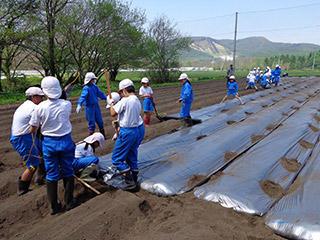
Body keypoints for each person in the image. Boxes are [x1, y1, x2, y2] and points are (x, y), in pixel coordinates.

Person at [29, 76, 76, 215]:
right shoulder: (67, 105)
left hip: (49, 143)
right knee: (68, 171)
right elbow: (62, 99)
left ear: (44, 92)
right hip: (66, 141)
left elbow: (33, 128)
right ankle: (69, 202)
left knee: (52, 174)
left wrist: (32, 129)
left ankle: (54, 207)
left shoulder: (40, 108)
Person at [107, 79, 145, 190]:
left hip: (127, 132)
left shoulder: (126, 100)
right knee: (131, 155)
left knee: (117, 159)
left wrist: (111, 105)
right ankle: (134, 178)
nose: (120, 94)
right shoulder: (136, 100)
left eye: (120, 92)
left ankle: (130, 183)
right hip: (137, 130)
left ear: (124, 90)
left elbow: (113, 114)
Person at [10, 87, 44, 195]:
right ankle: (22, 188)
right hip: (22, 138)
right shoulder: (33, 108)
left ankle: (40, 178)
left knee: (44, 151)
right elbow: (39, 124)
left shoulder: (26, 105)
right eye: (40, 97)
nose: (42, 99)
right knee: (33, 164)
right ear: (33, 97)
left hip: (29, 135)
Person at [76, 72, 107, 138]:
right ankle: (91, 136)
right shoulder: (86, 88)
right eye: (93, 79)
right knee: (91, 122)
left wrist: (106, 98)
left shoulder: (95, 87)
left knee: (100, 121)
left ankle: (103, 135)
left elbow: (100, 93)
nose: (94, 80)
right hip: (89, 108)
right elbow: (83, 96)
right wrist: (79, 104)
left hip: (96, 107)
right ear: (89, 80)